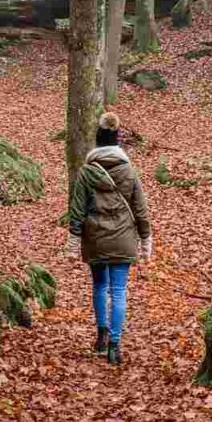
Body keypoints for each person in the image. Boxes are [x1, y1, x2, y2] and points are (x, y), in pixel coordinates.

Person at [66, 112, 152, 365]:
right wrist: (145, 240)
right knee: (119, 291)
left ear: (98, 141)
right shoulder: (129, 171)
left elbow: (77, 209)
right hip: (123, 238)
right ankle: (115, 345)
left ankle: (101, 335)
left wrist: (73, 241)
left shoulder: (86, 172)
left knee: (100, 286)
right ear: (117, 142)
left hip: (95, 238)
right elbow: (140, 209)